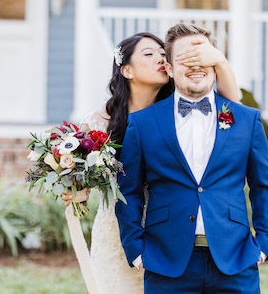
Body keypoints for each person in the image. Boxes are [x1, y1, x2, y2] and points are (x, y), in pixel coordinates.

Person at [63, 31, 240, 293]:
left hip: (169, 235)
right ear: (127, 71)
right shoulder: (100, 123)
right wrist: (75, 190)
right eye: (149, 54)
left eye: (162, 54)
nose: (160, 58)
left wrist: (220, 62)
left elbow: (231, 107)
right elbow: (84, 183)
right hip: (115, 238)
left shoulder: (179, 112)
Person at [116, 24, 268, 293]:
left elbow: (264, 188)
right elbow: (129, 192)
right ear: (168, 69)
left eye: (203, 56)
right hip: (165, 262)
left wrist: (263, 246)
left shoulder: (247, 120)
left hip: (236, 261)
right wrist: (136, 250)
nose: (196, 65)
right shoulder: (142, 122)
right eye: (186, 59)